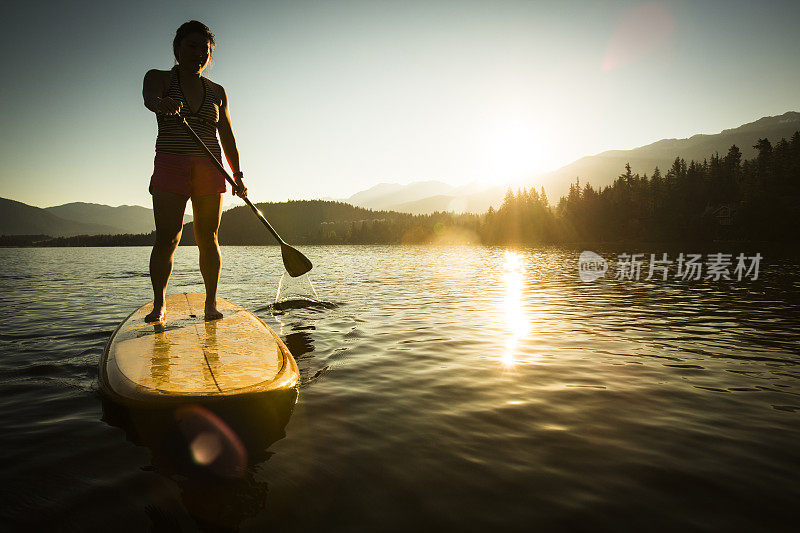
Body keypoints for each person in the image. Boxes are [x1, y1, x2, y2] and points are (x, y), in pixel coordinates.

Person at [142, 20, 246, 322]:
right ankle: (159, 304)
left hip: (210, 167)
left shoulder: (217, 91)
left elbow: (226, 135)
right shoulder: (158, 78)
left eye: (205, 49)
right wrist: (162, 104)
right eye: (192, 46)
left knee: (208, 237)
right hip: (171, 163)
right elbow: (149, 99)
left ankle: (210, 304)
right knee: (168, 237)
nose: (199, 53)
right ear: (177, 48)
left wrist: (238, 175)